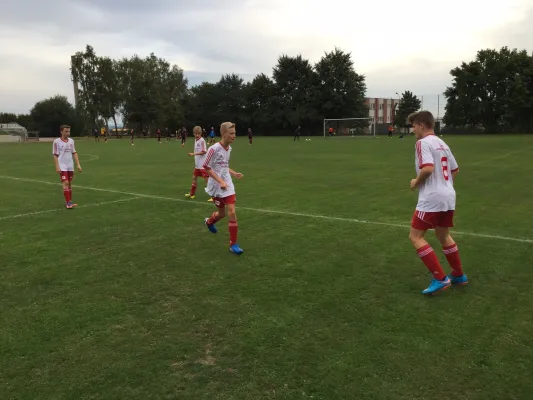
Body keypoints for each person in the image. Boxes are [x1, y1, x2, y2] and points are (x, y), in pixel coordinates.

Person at [407, 111, 467, 295]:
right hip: (448, 196)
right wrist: (445, 185)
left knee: (415, 237)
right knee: (443, 235)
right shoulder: (443, 143)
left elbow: (427, 168)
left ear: (422, 125)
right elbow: (455, 169)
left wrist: (416, 182)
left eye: (414, 126)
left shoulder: (422, 143)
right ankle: (458, 275)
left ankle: (440, 278)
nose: (413, 130)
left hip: (432, 198)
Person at [203, 122, 244, 255]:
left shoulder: (229, 149)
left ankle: (233, 244)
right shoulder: (213, 149)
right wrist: (220, 181)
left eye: (235, 133)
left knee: (231, 211)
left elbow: (224, 166)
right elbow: (206, 167)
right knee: (221, 214)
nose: (234, 136)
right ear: (224, 134)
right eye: (231, 133)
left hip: (227, 184)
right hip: (216, 186)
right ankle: (209, 222)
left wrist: (234, 173)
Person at [52, 125, 82, 209]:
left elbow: (74, 152)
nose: (68, 133)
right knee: (65, 182)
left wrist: (78, 164)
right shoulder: (56, 142)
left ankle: (70, 202)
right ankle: (68, 203)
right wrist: (57, 166)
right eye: (66, 131)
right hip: (62, 165)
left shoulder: (71, 141)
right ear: (61, 131)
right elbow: (55, 154)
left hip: (70, 165)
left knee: (69, 183)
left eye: (69, 131)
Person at [185, 126, 213, 203]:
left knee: (207, 181)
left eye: (198, 133)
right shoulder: (196, 140)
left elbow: (204, 151)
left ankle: (213, 196)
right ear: (193, 133)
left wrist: (193, 154)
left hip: (203, 166)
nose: (197, 135)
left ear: (201, 133)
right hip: (197, 165)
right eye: (195, 133)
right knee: (194, 178)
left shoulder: (202, 141)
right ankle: (192, 194)